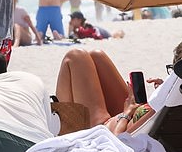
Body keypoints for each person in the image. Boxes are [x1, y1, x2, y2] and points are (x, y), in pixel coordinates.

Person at [54, 45, 182, 133]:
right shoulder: (176, 92)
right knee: (97, 55)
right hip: (138, 117)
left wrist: (126, 113)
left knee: (75, 56)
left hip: (109, 130)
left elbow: (121, 140)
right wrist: (166, 89)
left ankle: (67, 132)